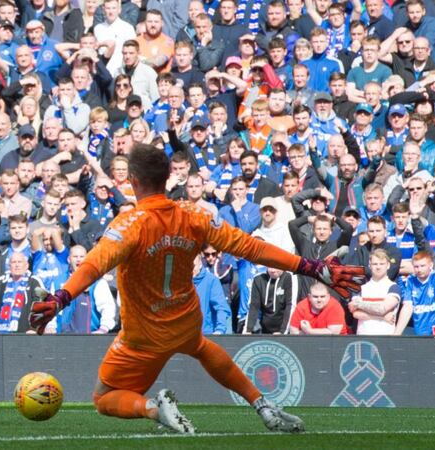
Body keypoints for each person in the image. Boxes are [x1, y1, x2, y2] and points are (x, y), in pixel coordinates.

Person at [29, 143, 365, 434]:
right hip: (186, 320)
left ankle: (153, 409)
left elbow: (93, 265)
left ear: (132, 182)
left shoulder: (129, 224)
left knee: (103, 398)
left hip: (142, 335)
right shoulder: (194, 215)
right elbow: (250, 247)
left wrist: (61, 298)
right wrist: (311, 267)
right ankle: (263, 406)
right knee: (202, 347)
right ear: (167, 179)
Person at [394, 251, 435, 336]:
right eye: (416, 267)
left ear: (430, 265)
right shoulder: (411, 280)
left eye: (422, 266)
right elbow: (407, 308)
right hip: (419, 331)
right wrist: (396, 334)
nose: (419, 270)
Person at [0, 252, 44, 334]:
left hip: (27, 335)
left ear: (26, 265)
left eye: (20, 262)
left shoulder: (34, 282)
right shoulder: (0, 282)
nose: (17, 265)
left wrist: (33, 328)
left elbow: (41, 306)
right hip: (2, 336)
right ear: (9, 266)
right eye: (14, 262)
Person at [348, 249, 401, 336]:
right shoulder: (361, 288)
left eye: (382, 264)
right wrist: (382, 317)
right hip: (363, 337)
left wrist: (359, 304)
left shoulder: (393, 287)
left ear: (388, 265)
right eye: (375, 264)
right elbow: (356, 314)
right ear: (370, 265)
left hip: (386, 337)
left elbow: (382, 309)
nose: (378, 267)